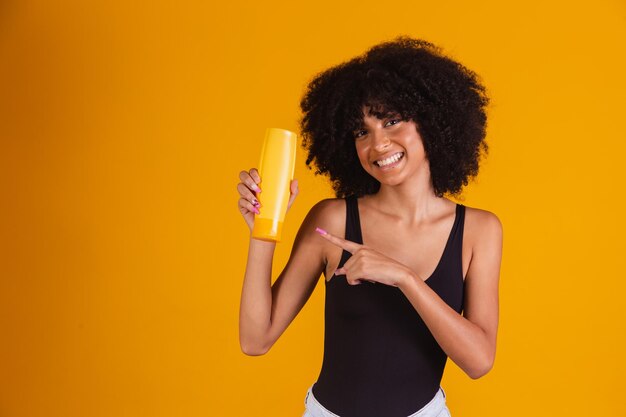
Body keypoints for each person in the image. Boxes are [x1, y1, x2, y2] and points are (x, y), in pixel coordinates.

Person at [237, 37, 503, 417]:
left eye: (392, 120)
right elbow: (255, 339)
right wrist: (262, 231)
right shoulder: (332, 221)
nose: (378, 143)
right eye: (361, 131)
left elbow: (479, 361)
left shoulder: (478, 230)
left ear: (431, 121)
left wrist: (404, 278)